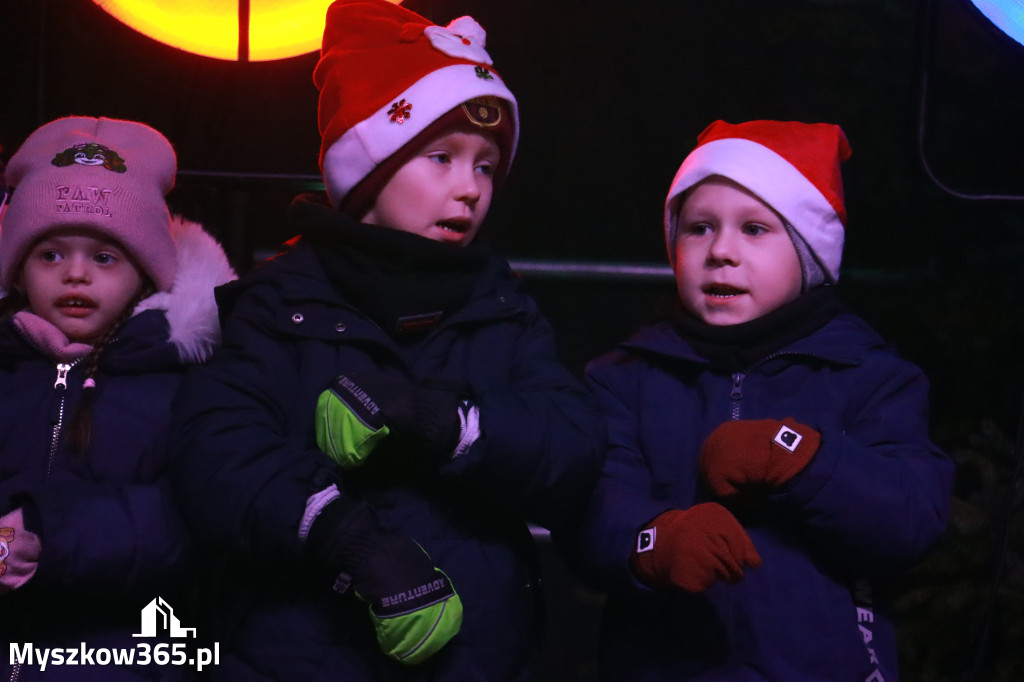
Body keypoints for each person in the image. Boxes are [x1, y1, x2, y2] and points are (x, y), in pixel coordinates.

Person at [168, 1, 605, 680]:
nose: (469, 189)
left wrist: (448, 422)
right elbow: (217, 450)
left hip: (478, 660)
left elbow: (569, 447)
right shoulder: (277, 304)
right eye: (442, 158)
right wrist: (344, 536)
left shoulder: (503, 308)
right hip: (302, 657)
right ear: (370, 171)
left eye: (485, 166)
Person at [559, 119, 955, 681]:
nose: (721, 251)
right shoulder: (623, 378)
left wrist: (801, 458)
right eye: (698, 228)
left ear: (809, 253)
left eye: (754, 229)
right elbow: (590, 507)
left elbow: (911, 518)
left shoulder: (870, 376)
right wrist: (654, 540)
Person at [0, 116, 235, 680]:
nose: (75, 274)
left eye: (104, 257)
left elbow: (195, 516)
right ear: (18, 270)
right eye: (50, 254)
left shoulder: (182, 380)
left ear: (145, 274)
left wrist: (48, 533)